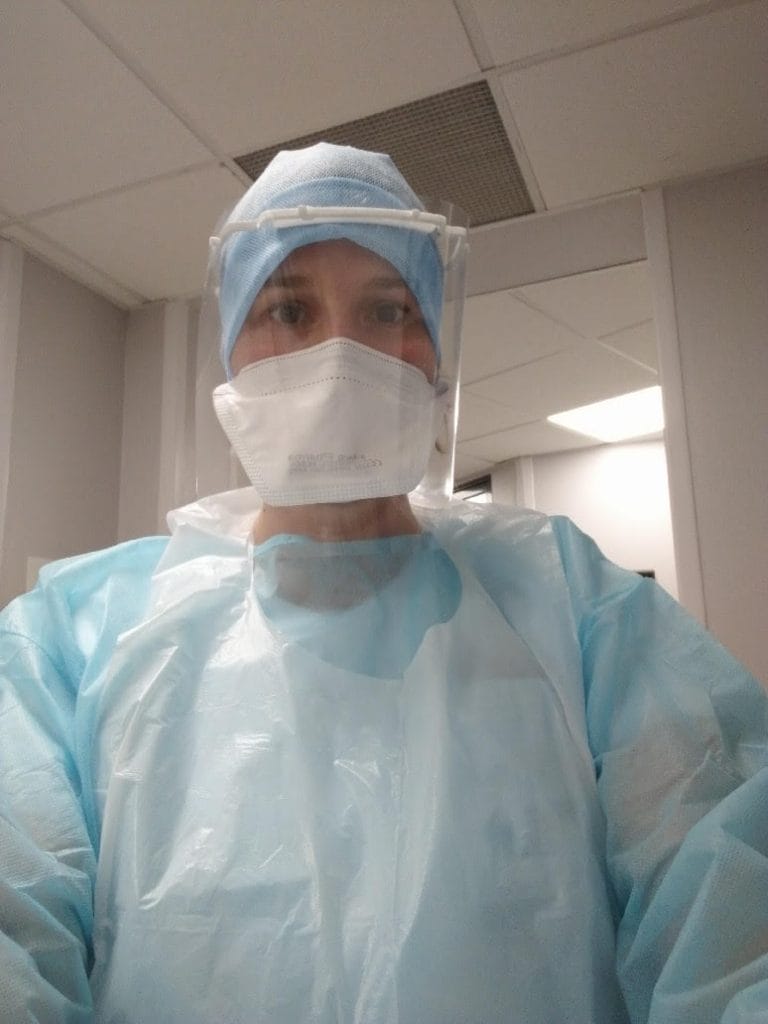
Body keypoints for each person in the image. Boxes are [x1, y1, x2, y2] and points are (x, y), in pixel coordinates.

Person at [0, 143, 766, 1024]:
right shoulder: (75, 640)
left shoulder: (571, 603)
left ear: (434, 351)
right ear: (232, 352)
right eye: (289, 309)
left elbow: (734, 911)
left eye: (387, 309)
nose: (339, 356)